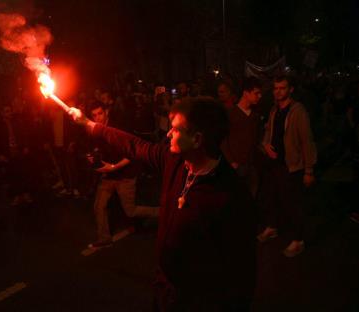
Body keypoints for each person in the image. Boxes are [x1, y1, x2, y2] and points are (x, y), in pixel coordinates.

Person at [68, 97, 257, 311]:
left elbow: (242, 274)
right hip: (165, 292)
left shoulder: (232, 196)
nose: (168, 134)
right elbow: (135, 145)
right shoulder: (174, 160)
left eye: (175, 130)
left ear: (197, 139)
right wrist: (89, 125)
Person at [258, 75, 317, 257]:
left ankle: (298, 240)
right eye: (276, 88)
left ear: (290, 89)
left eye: (282, 88)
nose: (278, 92)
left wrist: (309, 170)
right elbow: (269, 132)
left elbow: (307, 141)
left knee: (293, 204)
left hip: (291, 166)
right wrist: (265, 145)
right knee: (272, 198)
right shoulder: (274, 109)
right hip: (274, 164)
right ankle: (273, 227)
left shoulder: (298, 111)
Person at [86, 102, 158, 248]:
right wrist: (92, 158)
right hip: (108, 176)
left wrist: (114, 167)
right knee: (99, 206)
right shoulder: (94, 130)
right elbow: (94, 150)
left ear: (106, 112)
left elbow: (132, 154)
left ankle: (164, 212)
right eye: (94, 115)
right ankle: (104, 238)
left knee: (130, 211)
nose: (97, 117)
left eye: (100, 113)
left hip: (126, 174)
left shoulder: (118, 129)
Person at [221, 77, 263, 197]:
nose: (259, 96)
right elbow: (223, 141)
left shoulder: (255, 116)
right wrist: (232, 162)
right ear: (245, 93)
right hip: (236, 166)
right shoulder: (231, 114)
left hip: (251, 165)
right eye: (256, 93)